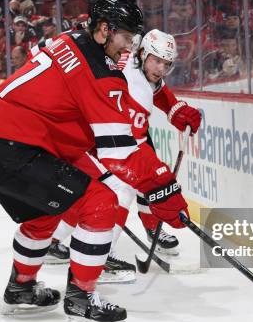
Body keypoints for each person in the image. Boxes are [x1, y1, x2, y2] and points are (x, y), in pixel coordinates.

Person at [0, 0, 189, 322]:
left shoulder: (71, 38)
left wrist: (155, 184)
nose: (129, 48)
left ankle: (21, 286)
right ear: (103, 30)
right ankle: (81, 298)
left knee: (44, 210)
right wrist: (163, 188)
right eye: (125, 38)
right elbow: (121, 154)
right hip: (16, 146)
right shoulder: (100, 73)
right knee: (101, 202)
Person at [46, 29, 202, 283]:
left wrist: (174, 108)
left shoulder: (134, 62)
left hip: (86, 131)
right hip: (88, 136)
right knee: (123, 187)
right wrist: (157, 177)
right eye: (156, 60)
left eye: (166, 63)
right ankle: (103, 255)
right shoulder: (135, 85)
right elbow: (131, 147)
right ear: (142, 53)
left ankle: (50, 241)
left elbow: (158, 89)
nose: (161, 68)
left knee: (99, 192)